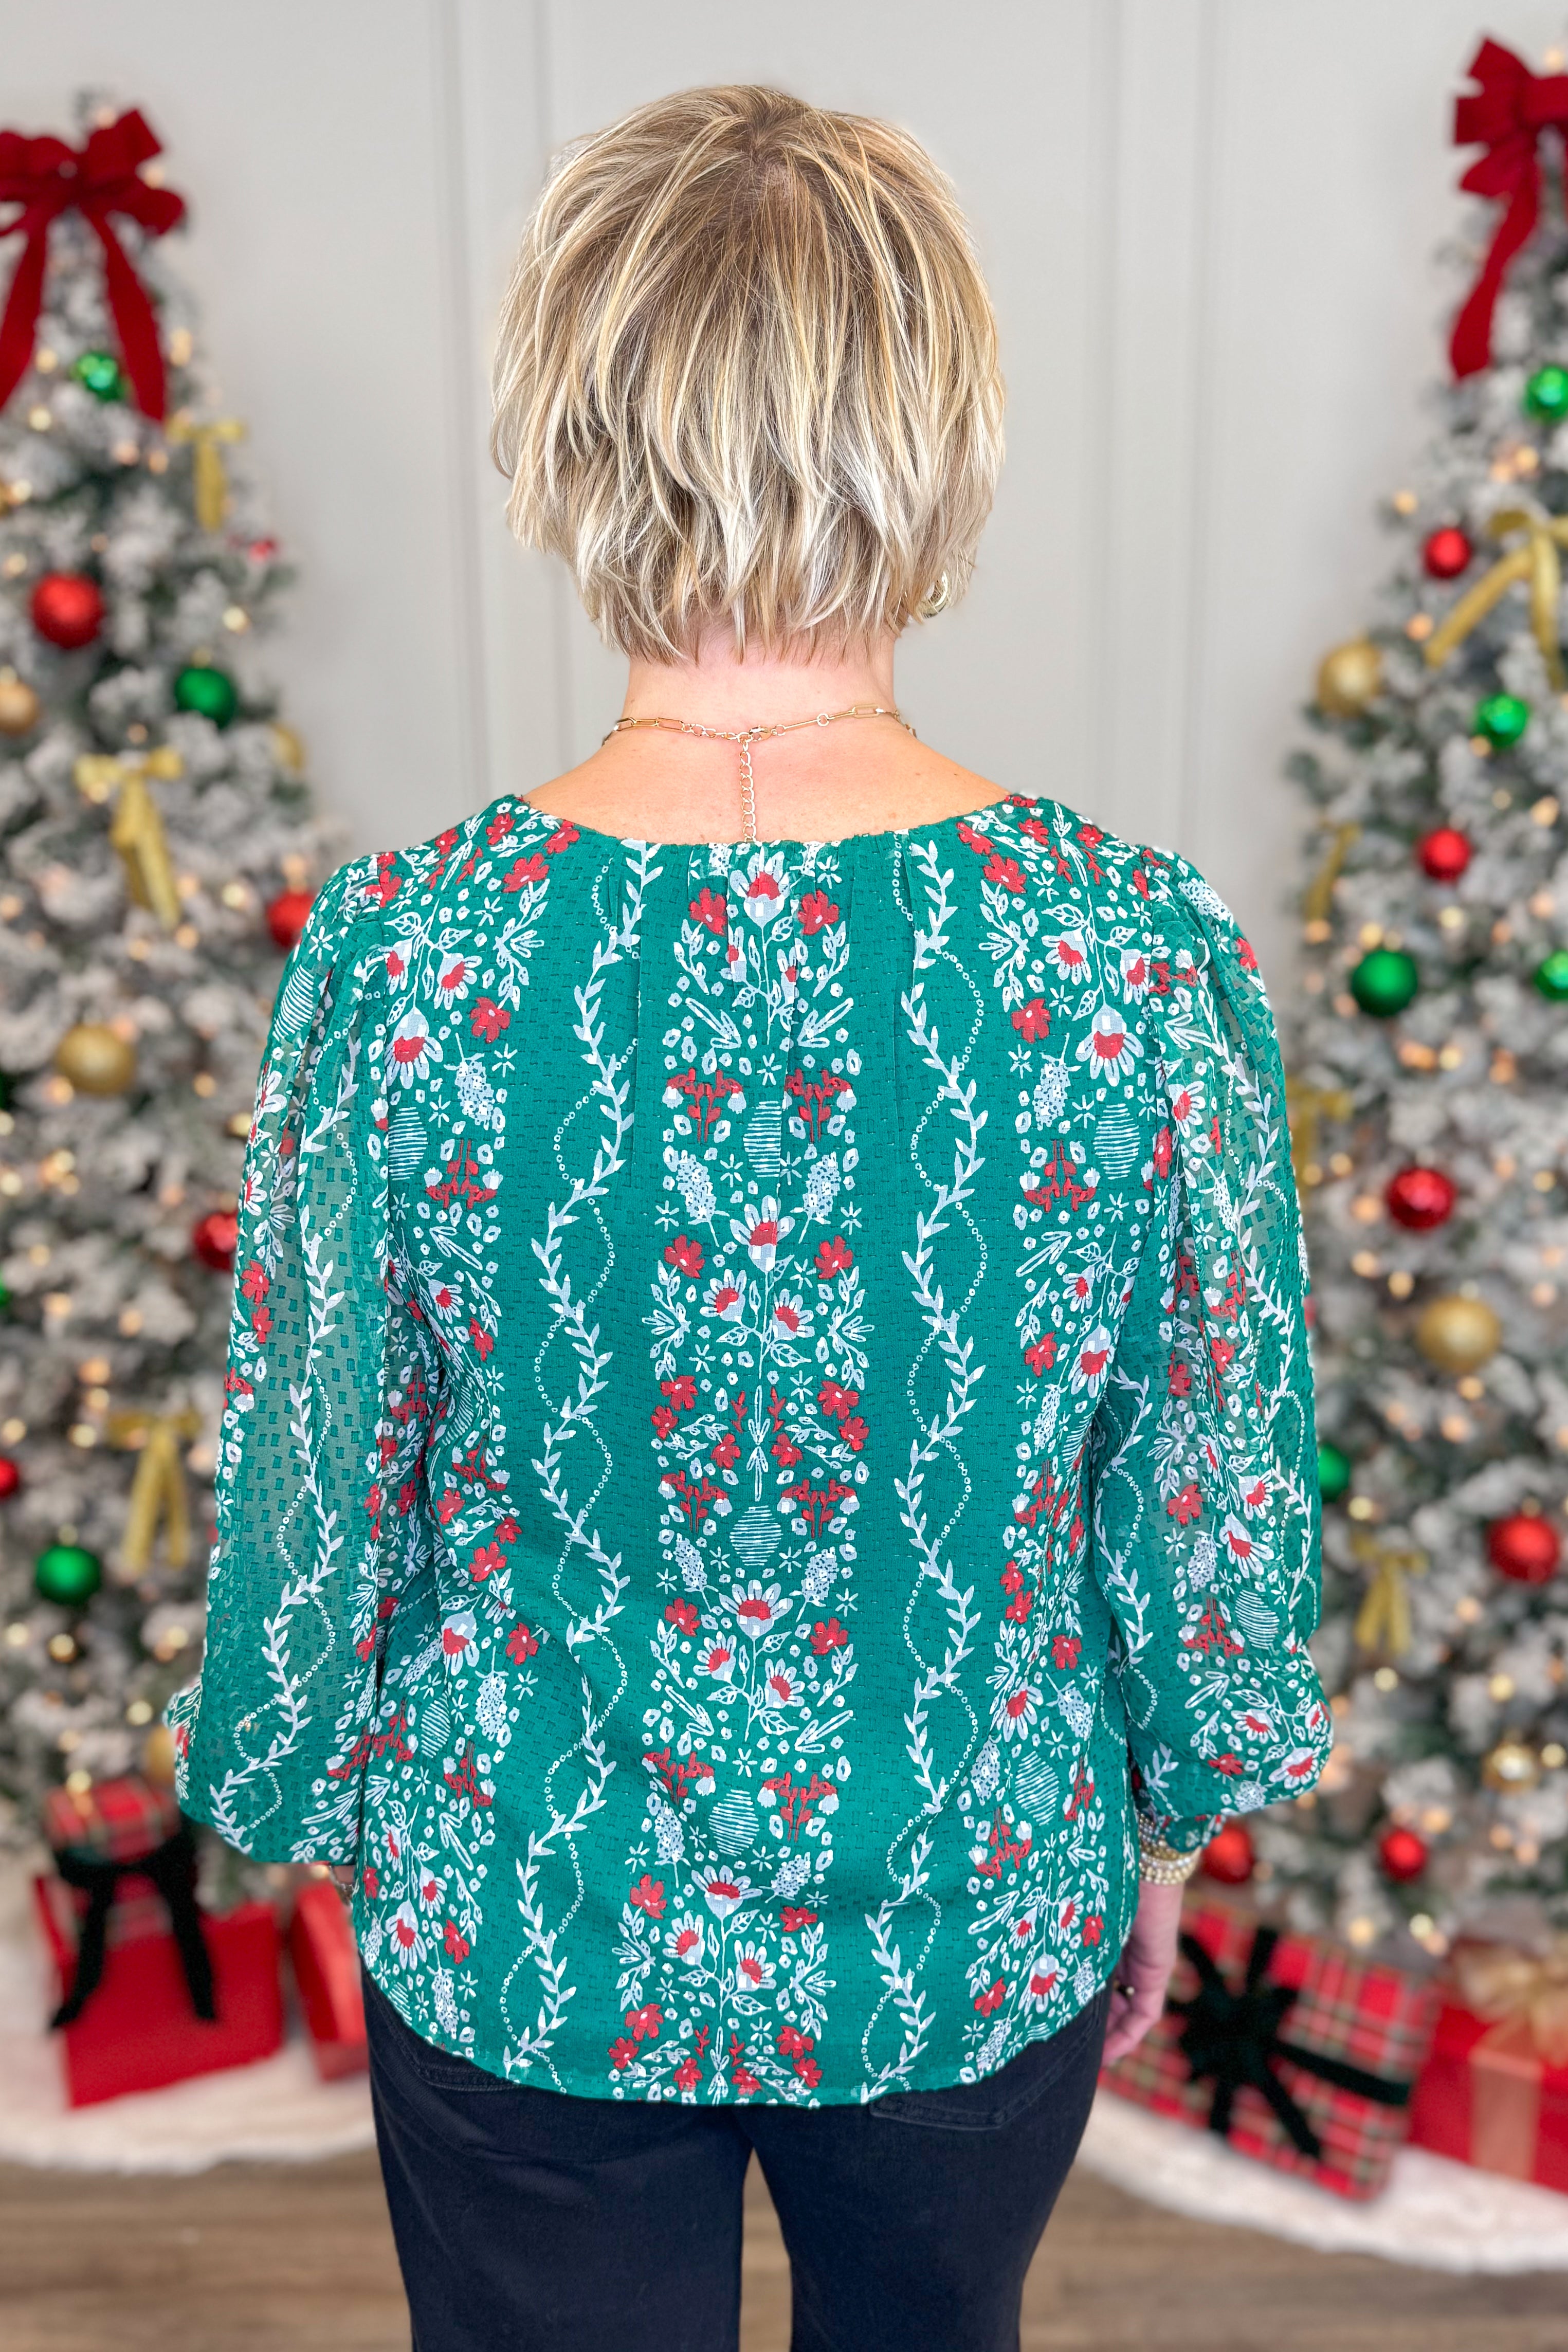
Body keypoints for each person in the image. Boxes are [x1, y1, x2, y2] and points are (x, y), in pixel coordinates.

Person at [169, 84, 1328, 2352]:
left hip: (518, 1905)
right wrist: (1167, 1840)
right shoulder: (1127, 949)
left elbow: (316, 1485)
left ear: (577, 430)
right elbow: (1205, 1491)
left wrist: (317, 1806)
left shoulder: (410, 953)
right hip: (975, 1899)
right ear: (934, 427)